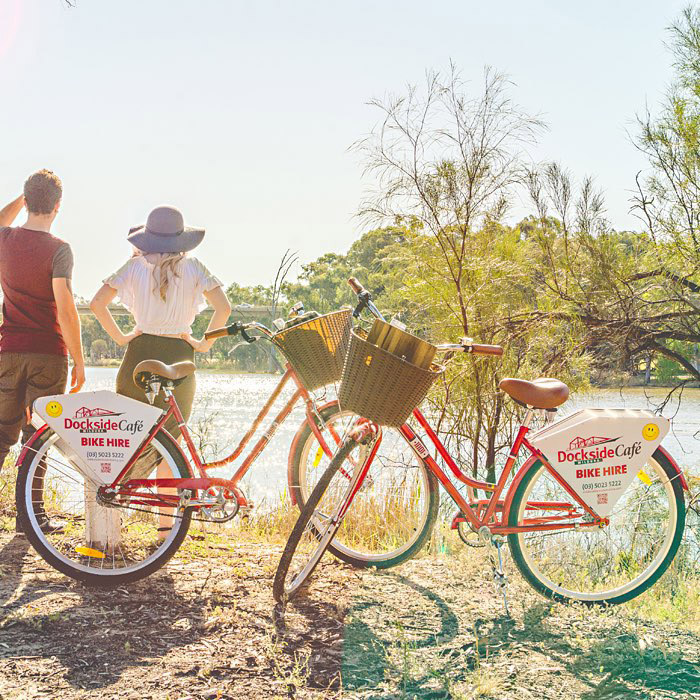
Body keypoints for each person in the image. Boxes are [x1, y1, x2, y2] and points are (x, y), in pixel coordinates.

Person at [90, 205, 231, 437]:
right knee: (171, 442)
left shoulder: (134, 266)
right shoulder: (194, 267)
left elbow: (97, 304)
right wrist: (203, 344)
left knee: (130, 439)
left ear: (148, 238)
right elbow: (224, 308)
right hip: (179, 356)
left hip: (139, 354)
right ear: (182, 239)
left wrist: (121, 338)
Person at [0, 171, 85, 474]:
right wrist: (78, 358)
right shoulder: (59, 249)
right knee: (38, 439)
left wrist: (24, 199)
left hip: (8, 352)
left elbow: (1, 219)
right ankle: (31, 515)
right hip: (48, 355)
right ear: (58, 205)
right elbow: (65, 307)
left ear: (26, 202)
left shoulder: (5, 239)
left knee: (0, 436)